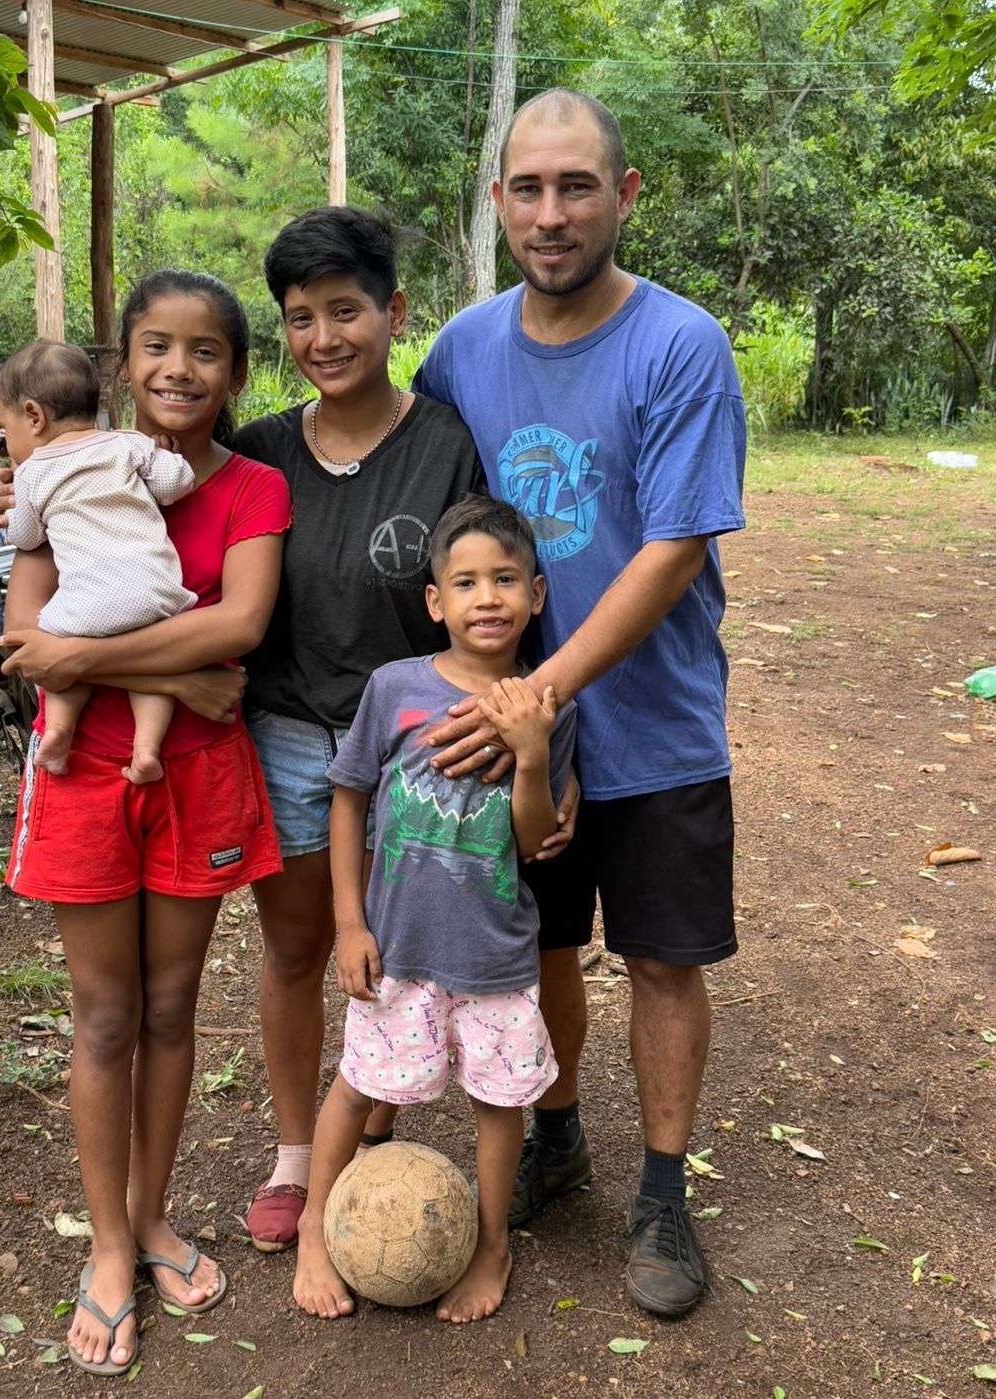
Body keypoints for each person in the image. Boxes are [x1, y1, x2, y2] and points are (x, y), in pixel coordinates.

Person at [412, 89, 746, 1318]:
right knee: (538, 946)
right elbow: (429, 517)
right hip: (517, 745)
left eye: (576, 187)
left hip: (652, 724)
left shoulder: (679, 344)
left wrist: (541, 689)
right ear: (498, 202)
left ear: (625, 194)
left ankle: (664, 1187)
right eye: (529, 190)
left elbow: (670, 549)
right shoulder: (460, 350)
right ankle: (558, 1135)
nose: (551, 215)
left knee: (661, 955)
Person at [0, 270, 291, 1374]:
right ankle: (109, 1246)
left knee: (172, 1007)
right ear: (122, 363)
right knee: (105, 1016)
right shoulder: (61, 470)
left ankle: (154, 1214)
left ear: (233, 374)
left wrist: (99, 657)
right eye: (156, 346)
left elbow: (245, 622)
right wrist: (186, 667)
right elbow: (29, 643)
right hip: (86, 777)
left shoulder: (255, 487)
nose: (178, 368)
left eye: (204, 351)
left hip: (199, 775)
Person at [231, 207, 506, 1253]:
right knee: (302, 945)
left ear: (393, 312)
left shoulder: (442, 445)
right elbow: (146, 515)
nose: (324, 339)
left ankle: (376, 1116)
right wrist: (32, 499)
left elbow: (484, 589)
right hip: (295, 739)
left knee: (398, 943)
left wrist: (522, 726)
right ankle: (301, 1154)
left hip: (419, 752)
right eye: (301, 319)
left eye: (346, 311)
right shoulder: (257, 454)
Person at [292, 497, 577, 1324]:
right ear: (434, 602)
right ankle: (315, 1223)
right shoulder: (395, 688)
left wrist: (529, 753)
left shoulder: (550, 707)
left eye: (504, 580)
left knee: (498, 1102)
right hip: (400, 949)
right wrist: (350, 922)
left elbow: (532, 841)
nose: (486, 597)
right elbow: (347, 798)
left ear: (537, 593)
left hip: (494, 954)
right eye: (466, 582)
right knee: (357, 1085)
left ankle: (490, 1246)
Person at [0, 338, 199, 785]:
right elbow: (176, 484)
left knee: (61, 648)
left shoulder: (33, 471)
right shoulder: (127, 444)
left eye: (4, 429)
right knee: (160, 662)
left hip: (86, 604)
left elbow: (27, 536)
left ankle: (60, 730)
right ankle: (147, 749)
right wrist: (167, 455)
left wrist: (9, 519)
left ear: (34, 416)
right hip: (155, 592)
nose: (7, 443)